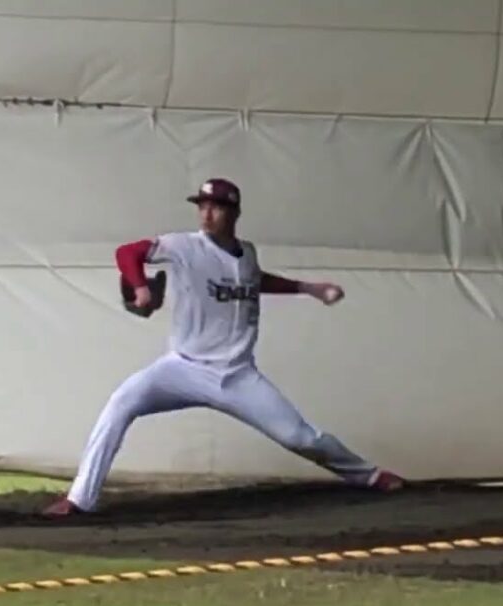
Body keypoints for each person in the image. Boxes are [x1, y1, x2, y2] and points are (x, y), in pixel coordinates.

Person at [42, 178, 404, 517]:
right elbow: (127, 253)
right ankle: (79, 499)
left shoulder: (247, 253)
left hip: (237, 375)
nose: (206, 213)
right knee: (121, 402)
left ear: (234, 212)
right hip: (182, 368)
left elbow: (253, 280)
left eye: (215, 207)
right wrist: (139, 287)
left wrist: (308, 288)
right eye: (202, 206)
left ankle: (370, 475)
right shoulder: (184, 245)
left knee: (301, 438)